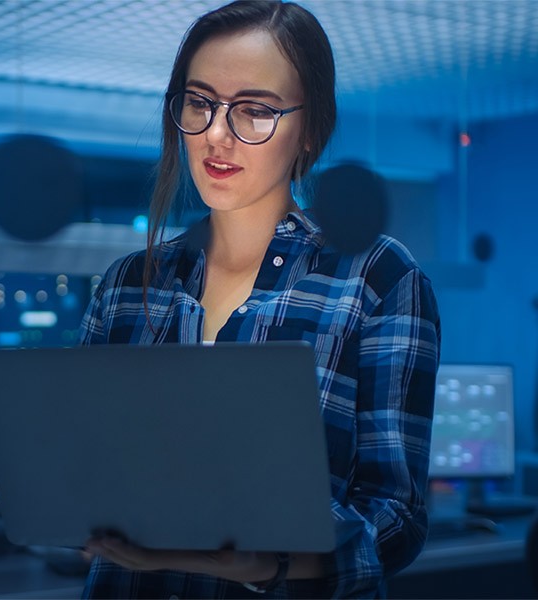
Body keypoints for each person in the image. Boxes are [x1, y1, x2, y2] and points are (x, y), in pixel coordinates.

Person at [78, 1, 441, 598]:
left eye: (255, 111)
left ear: (311, 131)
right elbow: (82, 474)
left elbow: (396, 518)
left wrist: (261, 562)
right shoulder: (125, 287)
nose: (216, 134)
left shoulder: (376, 278)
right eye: (199, 103)